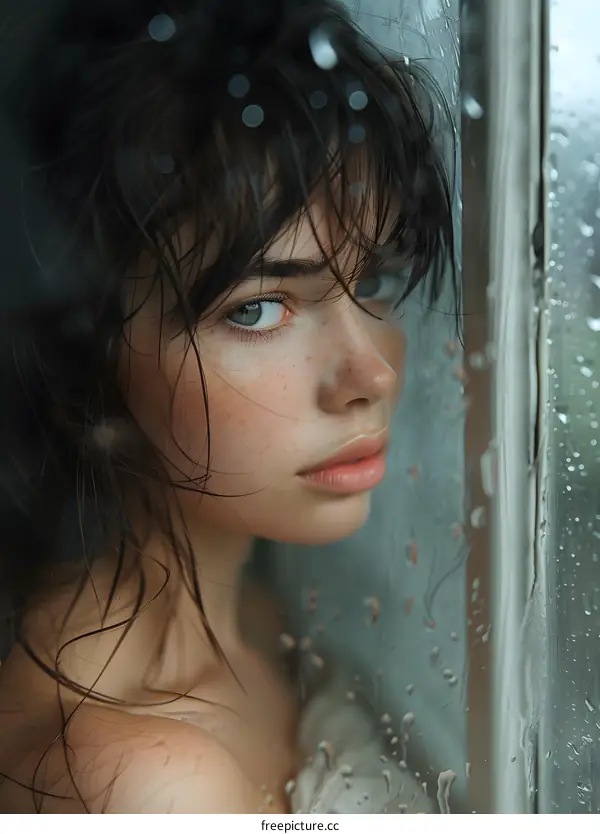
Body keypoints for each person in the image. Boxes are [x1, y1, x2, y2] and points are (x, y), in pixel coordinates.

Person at [0, 0, 456, 813]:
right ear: (86, 351)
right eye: (257, 309)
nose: (370, 374)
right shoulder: (146, 780)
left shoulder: (259, 613)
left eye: (376, 281)